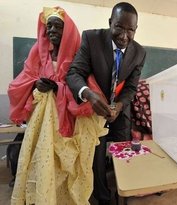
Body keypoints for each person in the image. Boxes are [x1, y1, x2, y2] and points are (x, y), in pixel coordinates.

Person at [8, 7, 107, 205]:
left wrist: (58, 87)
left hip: (70, 116)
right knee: (45, 161)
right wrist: (36, 84)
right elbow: (24, 79)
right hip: (43, 118)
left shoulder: (78, 52)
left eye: (57, 26)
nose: (51, 30)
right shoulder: (37, 50)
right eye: (49, 26)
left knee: (68, 165)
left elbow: (83, 82)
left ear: (67, 30)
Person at [66, 2, 146, 204]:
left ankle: (124, 194)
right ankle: (102, 198)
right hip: (94, 111)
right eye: (119, 27)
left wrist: (119, 106)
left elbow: (131, 88)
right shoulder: (91, 39)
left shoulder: (139, 52)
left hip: (120, 111)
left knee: (125, 155)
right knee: (97, 158)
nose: (124, 36)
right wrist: (89, 95)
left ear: (136, 30)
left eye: (130, 30)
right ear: (110, 22)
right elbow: (74, 73)